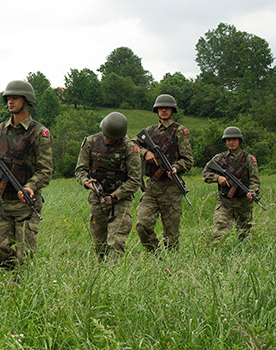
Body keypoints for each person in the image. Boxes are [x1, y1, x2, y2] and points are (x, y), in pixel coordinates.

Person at [0, 80, 53, 270]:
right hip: (3, 203)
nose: (10, 102)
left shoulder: (39, 132)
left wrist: (30, 186)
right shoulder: (0, 130)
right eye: (8, 98)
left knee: (25, 255)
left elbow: (45, 170)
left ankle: (21, 283)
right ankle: (15, 275)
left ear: (26, 100)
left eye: (15, 98)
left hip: (25, 205)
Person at [75, 112, 141, 261]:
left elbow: (134, 180)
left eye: (112, 139)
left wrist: (114, 196)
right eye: (106, 136)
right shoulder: (91, 142)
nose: (108, 140)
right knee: (99, 245)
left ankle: (115, 275)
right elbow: (80, 170)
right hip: (97, 198)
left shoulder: (130, 148)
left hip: (120, 200)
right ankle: (103, 276)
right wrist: (86, 182)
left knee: (116, 242)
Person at [134, 94, 193, 252]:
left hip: (172, 188)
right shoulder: (149, 131)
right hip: (152, 187)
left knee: (171, 236)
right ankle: (155, 253)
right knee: (142, 225)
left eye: (167, 108)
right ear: (157, 110)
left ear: (172, 110)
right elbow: (131, 144)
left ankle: (171, 265)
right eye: (161, 108)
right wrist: (145, 152)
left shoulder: (180, 131)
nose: (164, 110)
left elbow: (188, 160)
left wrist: (176, 167)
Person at [202, 126, 260, 243]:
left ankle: (244, 257)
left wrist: (253, 192)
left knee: (245, 234)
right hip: (225, 201)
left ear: (239, 141)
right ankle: (216, 255)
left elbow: (254, 180)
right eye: (229, 140)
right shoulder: (219, 158)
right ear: (225, 142)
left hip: (243, 201)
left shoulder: (249, 159)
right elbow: (205, 173)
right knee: (218, 231)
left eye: (234, 139)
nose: (231, 142)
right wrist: (217, 178)